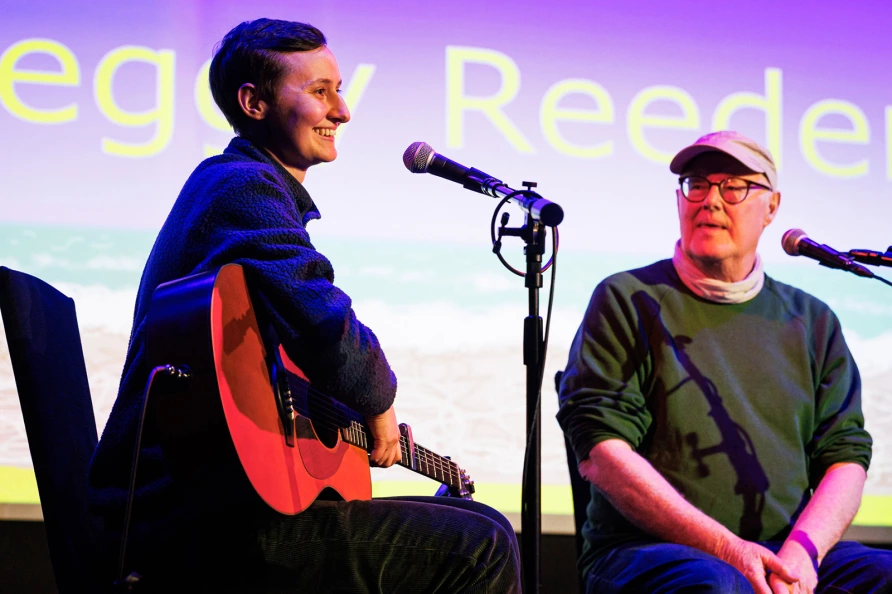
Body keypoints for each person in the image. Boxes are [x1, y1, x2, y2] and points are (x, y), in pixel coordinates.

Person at [88, 18, 521, 593]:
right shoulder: (240, 186)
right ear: (254, 102)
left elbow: (277, 359)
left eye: (339, 89)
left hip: (217, 506)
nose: (342, 111)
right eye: (320, 91)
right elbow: (319, 312)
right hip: (192, 523)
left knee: (483, 522)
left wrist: (345, 417)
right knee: (481, 548)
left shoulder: (240, 191)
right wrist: (378, 400)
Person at [557, 130, 892, 594]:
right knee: (718, 584)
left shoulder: (812, 320)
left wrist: (801, 554)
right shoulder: (627, 299)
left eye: (733, 186)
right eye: (697, 184)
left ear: (772, 206)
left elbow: (845, 457)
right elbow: (601, 454)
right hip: (651, 551)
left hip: (786, 549)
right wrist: (730, 549)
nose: (710, 200)